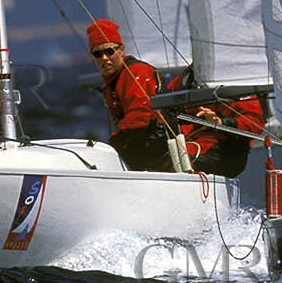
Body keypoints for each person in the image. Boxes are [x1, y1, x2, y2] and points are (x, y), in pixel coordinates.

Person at [88, 18, 173, 172]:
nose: (104, 58)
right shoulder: (111, 82)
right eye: (97, 54)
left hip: (160, 149)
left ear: (121, 50)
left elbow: (140, 116)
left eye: (109, 51)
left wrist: (113, 144)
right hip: (140, 147)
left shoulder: (137, 72)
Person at [165, 67, 267, 177]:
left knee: (169, 163)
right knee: (159, 158)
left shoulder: (234, 79)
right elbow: (164, 100)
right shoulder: (189, 76)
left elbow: (255, 123)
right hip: (186, 142)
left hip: (222, 150)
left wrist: (220, 123)